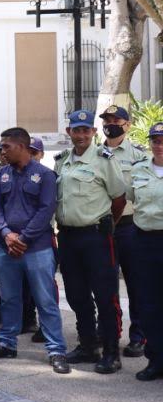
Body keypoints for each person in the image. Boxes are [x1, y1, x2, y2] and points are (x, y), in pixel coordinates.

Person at [0, 127, 70, 374]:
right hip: (6, 248)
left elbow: (46, 210)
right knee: (8, 299)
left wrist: (24, 238)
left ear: (21, 146)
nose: (2, 151)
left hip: (36, 248)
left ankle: (56, 350)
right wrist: (7, 235)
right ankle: (7, 344)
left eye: (6, 146)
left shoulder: (45, 175)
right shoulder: (1, 175)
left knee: (45, 300)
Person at [54, 109, 127, 374]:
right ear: (69, 132)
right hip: (69, 237)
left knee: (106, 296)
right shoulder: (62, 161)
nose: (81, 134)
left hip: (96, 236)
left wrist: (106, 225)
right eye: (77, 130)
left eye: (86, 130)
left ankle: (110, 351)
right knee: (76, 295)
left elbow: (118, 199)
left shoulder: (104, 159)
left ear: (94, 133)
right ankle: (87, 345)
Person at [97, 104, 148, 358]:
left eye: (116, 119)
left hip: (129, 227)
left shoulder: (139, 156)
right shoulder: (95, 154)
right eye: (107, 119)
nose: (110, 123)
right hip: (101, 227)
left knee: (136, 284)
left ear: (127, 125)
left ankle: (139, 335)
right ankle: (108, 332)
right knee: (104, 284)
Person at [127, 121, 163, 381]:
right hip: (144, 241)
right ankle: (155, 360)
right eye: (156, 141)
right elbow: (129, 197)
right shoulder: (138, 169)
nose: (159, 146)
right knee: (148, 304)